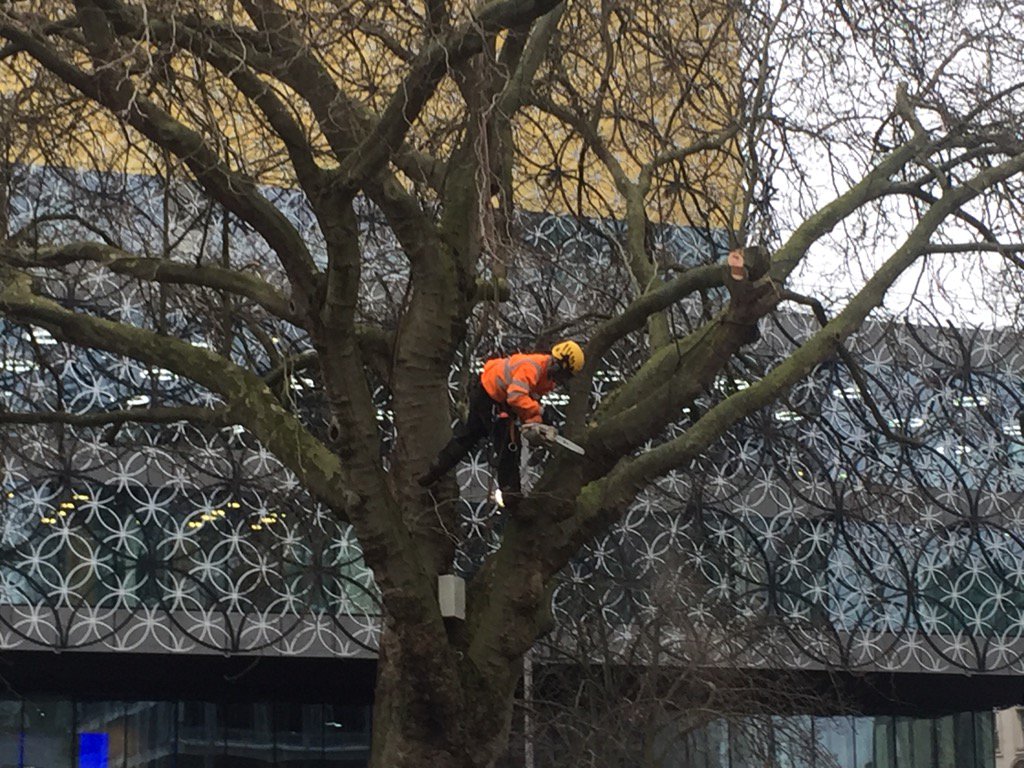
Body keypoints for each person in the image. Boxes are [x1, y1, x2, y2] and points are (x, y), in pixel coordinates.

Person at [418, 341, 585, 495]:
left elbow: (527, 402)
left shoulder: (545, 377)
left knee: (468, 437)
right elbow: (516, 397)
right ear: (558, 364)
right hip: (490, 397)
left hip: (491, 395)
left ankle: (435, 469)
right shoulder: (532, 367)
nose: (561, 380)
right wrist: (540, 412)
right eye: (564, 374)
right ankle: (511, 494)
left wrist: (539, 423)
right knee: (507, 447)